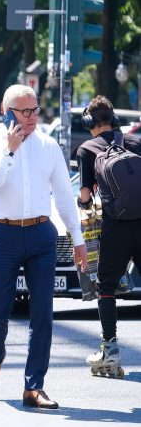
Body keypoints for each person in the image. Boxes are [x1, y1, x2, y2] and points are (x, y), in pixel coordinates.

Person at [0, 85, 87, 410]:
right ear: (6, 111)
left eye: (35, 110)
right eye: (25, 111)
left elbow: (65, 197)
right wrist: (10, 151)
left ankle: (34, 386)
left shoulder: (48, 146)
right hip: (2, 234)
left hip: (40, 234)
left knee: (43, 314)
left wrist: (78, 240)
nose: (32, 117)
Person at [76, 96, 141, 377]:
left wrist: (82, 205)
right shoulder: (135, 143)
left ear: (89, 122)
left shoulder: (86, 149)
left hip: (115, 226)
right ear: (113, 120)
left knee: (106, 286)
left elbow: (85, 196)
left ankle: (110, 349)